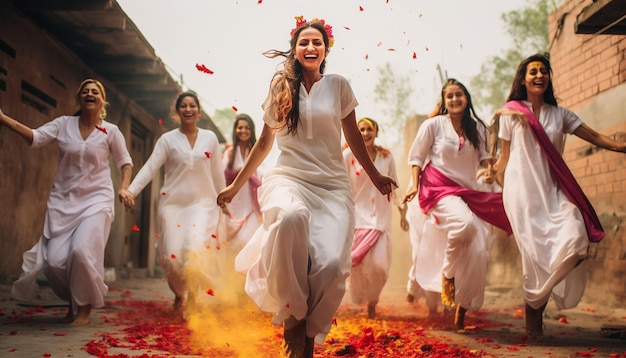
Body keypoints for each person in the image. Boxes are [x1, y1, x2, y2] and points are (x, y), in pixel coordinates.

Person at [216, 16, 396, 358]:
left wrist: (374, 175)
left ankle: (309, 336)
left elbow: (353, 136)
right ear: (295, 49)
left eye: (316, 42)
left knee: (330, 265)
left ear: (326, 49)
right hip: (288, 178)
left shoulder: (339, 85)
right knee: (288, 219)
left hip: (332, 187)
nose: (310, 47)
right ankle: (293, 318)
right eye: (304, 42)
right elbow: (264, 143)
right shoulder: (281, 88)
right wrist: (237, 185)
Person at [489, 53, 626, 340]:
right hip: (522, 193)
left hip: (553, 191)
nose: (539, 75)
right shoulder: (511, 112)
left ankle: (535, 299)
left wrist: (618, 146)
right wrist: (494, 179)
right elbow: (503, 159)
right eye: (533, 71)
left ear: (549, 77)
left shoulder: (560, 114)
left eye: (544, 71)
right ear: (523, 79)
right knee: (534, 257)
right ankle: (534, 318)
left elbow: (594, 135)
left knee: (576, 239)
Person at [4, 79, 133, 325]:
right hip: (63, 202)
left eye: (95, 91)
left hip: (97, 200)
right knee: (54, 262)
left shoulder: (111, 131)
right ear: (78, 99)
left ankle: (84, 307)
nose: (90, 94)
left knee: (81, 251)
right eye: (84, 91)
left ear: (102, 100)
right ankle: (74, 299)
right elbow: (36, 137)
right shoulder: (64, 124)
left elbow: (125, 162)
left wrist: (124, 187)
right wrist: (3, 118)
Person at [403, 78, 511, 332]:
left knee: (479, 250)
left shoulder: (479, 129)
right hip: (436, 189)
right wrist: (414, 186)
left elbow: (486, 162)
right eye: (449, 96)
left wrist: (493, 173)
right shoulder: (432, 125)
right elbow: (417, 158)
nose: (454, 100)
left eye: (459, 95)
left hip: (469, 192)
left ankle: (461, 313)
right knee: (465, 226)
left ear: (467, 98)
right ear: (444, 101)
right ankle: (447, 274)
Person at [118, 91, 225, 313]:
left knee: (196, 250)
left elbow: (217, 175)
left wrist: (226, 202)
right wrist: (131, 191)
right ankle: (179, 293)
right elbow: (149, 167)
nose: (188, 109)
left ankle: (194, 294)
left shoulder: (210, 139)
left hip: (202, 205)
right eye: (183, 106)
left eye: (192, 105)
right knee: (172, 256)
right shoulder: (167, 140)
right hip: (173, 206)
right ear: (177, 112)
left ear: (198, 111)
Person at [342, 117, 400, 319]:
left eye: (369, 129)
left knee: (379, 266)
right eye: (361, 130)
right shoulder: (347, 155)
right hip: (357, 217)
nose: (365, 133)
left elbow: (394, 186)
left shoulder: (386, 156)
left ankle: (373, 299)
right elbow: (341, 186)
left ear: (376, 132)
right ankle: (362, 298)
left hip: (381, 220)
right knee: (358, 266)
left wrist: (402, 211)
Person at [222, 113, 262, 252]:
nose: (243, 130)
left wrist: (248, 174)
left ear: (251, 130)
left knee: (249, 242)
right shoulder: (229, 153)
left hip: (251, 206)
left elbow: (262, 177)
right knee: (232, 247)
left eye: (246, 128)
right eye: (240, 127)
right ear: (235, 130)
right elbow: (222, 178)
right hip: (232, 204)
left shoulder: (257, 153)